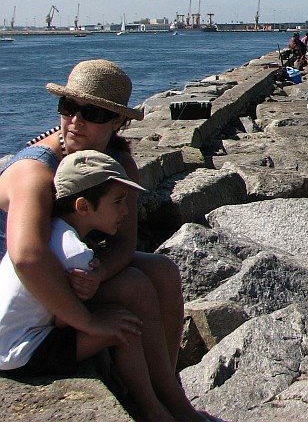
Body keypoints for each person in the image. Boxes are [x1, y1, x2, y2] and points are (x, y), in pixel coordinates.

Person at [0, 60, 187, 383]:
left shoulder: (118, 165)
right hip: (15, 296)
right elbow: (27, 257)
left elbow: (124, 243)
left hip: (64, 270)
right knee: (133, 286)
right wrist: (88, 321)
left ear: (117, 121)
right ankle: (155, 406)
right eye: (68, 107)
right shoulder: (36, 171)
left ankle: (168, 388)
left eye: (93, 113)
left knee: (163, 271)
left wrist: (99, 273)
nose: (75, 121)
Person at [0, 150, 210, 422]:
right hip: (22, 352)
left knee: (120, 317)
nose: (125, 211)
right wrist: (93, 321)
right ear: (83, 206)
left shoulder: (52, 231)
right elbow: (62, 320)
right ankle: (153, 409)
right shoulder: (75, 254)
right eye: (118, 202)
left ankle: (153, 404)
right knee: (123, 328)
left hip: (10, 339)